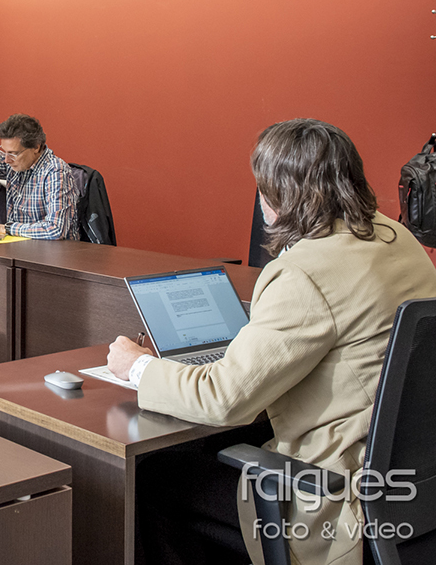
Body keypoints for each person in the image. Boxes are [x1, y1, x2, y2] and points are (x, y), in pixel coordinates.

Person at [107, 118, 436, 565]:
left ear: (283, 195)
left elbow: (223, 399)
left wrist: (137, 366)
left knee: (155, 477)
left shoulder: (304, 272)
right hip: (408, 489)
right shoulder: (398, 239)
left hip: (331, 497)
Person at [0, 78, 78, 239]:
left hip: (53, 252)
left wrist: (7, 228)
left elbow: (55, 229)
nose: (6, 160)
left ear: (36, 147)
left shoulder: (55, 171)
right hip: (19, 248)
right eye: (4, 152)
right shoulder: (13, 164)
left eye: (13, 153)